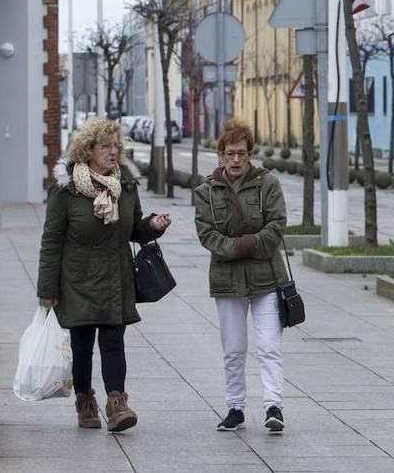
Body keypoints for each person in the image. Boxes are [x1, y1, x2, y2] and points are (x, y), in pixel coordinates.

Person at [37, 117, 171, 432]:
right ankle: (85, 402)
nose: (113, 152)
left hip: (115, 277)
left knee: (113, 342)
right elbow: (51, 240)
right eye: (105, 146)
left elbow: (134, 228)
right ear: (88, 149)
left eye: (116, 146)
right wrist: (47, 288)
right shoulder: (67, 188)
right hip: (77, 280)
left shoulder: (125, 185)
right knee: (82, 345)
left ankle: (117, 404)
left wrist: (152, 226)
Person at [194, 119, 288, 433]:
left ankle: (273, 406)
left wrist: (245, 245)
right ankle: (235, 407)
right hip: (227, 281)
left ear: (250, 155)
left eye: (242, 154)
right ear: (220, 154)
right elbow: (207, 234)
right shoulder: (206, 192)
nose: (236, 160)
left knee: (268, 346)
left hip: (266, 279)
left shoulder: (267, 184)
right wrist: (241, 246)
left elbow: (276, 227)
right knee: (233, 349)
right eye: (230, 153)